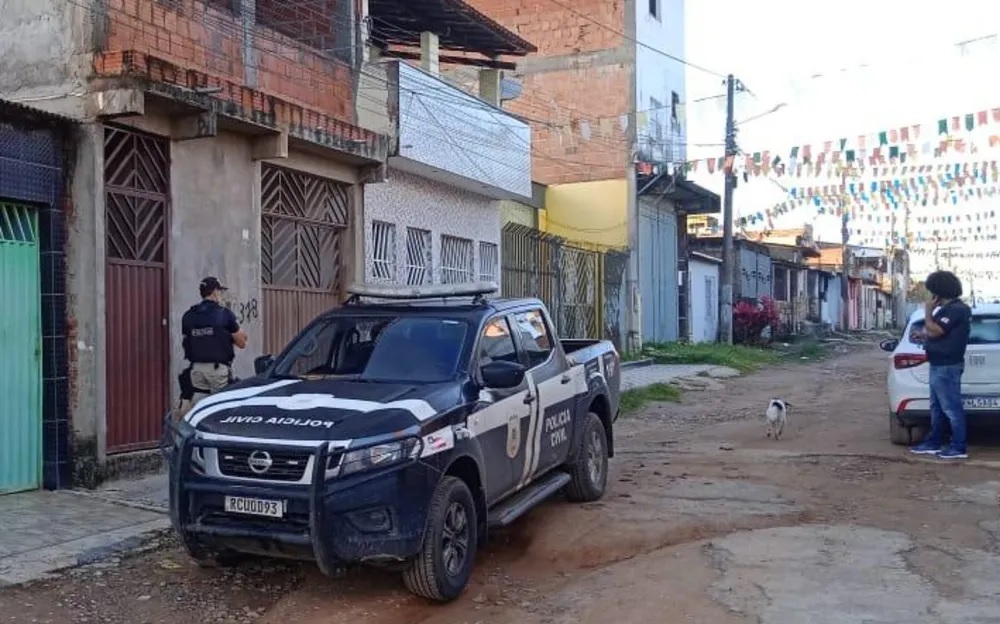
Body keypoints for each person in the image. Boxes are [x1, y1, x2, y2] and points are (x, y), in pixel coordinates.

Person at [910, 270, 971, 460]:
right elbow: (936, 332)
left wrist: (928, 312)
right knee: (936, 408)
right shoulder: (947, 309)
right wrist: (923, 335)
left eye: (932, 291)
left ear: (939, 290)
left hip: (947, 365)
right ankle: (934, 442)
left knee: (951, 408)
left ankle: (958, 447)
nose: (931, 295)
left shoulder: (957, 309)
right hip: (938, 364)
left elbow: (937, 331)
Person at [177, 276, 248, 417]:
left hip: (195, 370)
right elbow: (242, 343)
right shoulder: (224, 314)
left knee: (197, 408)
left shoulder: (188, 315)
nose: (221, 294)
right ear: (215, 292)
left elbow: (187, 341)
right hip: (218, 371)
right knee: (221, 410)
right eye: (220, 291)